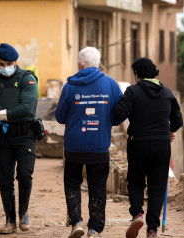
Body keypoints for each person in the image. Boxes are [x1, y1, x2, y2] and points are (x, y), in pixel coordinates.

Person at [55, 47, 123, 238]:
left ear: (80, 63)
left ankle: (76, 223)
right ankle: (95, 229)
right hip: (99, 146)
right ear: (98, 62)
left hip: (74, 146)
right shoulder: (111, 84)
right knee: (98, 187)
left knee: (72, 183)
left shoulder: (69, 86)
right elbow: (118, 117)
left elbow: (60, 117)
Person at [112, 58, 183, 238]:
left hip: (138, 144)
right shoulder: (167, 93)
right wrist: (169, 130)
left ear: (136, 74)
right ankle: (152, 230)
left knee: (136, 181)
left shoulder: (132, 91)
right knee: (157, 187)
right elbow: (178, 120)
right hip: (161, 145)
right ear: (154, 74)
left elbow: (118, 115)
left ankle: (137, 214)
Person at [0, 43, 38, 234]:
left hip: (24, 135)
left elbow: (26, 108)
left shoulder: (27, 79)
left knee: (24, 174)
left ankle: (23, 214)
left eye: (8, 63)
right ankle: (10, 221)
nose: (4, 67)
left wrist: (0, 114)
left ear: (15, 62)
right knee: (4, 179)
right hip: (3, 137)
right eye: (1, 63)